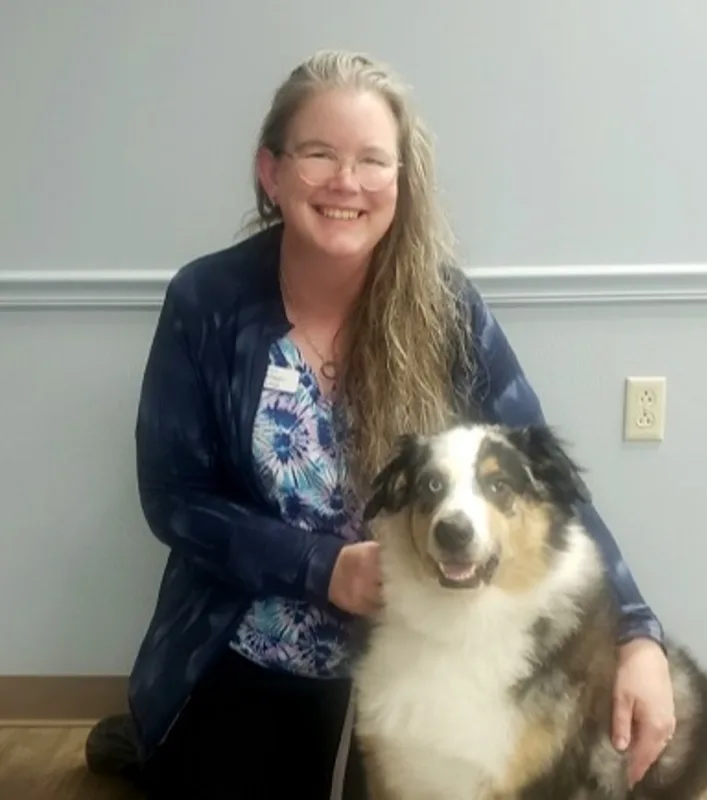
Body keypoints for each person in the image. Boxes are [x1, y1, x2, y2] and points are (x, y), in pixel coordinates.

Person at [85, 49, 676, 798]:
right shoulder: (205, 301)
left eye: (372, 160)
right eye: (318, 154)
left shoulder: (448, 308)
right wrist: (321, 567)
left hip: (427, 652)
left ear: (401, 180)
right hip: (249, 647)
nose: (346, 181)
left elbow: (545, 482)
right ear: (271, 172)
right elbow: (173, 498)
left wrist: (637, 634)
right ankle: (149, 738)